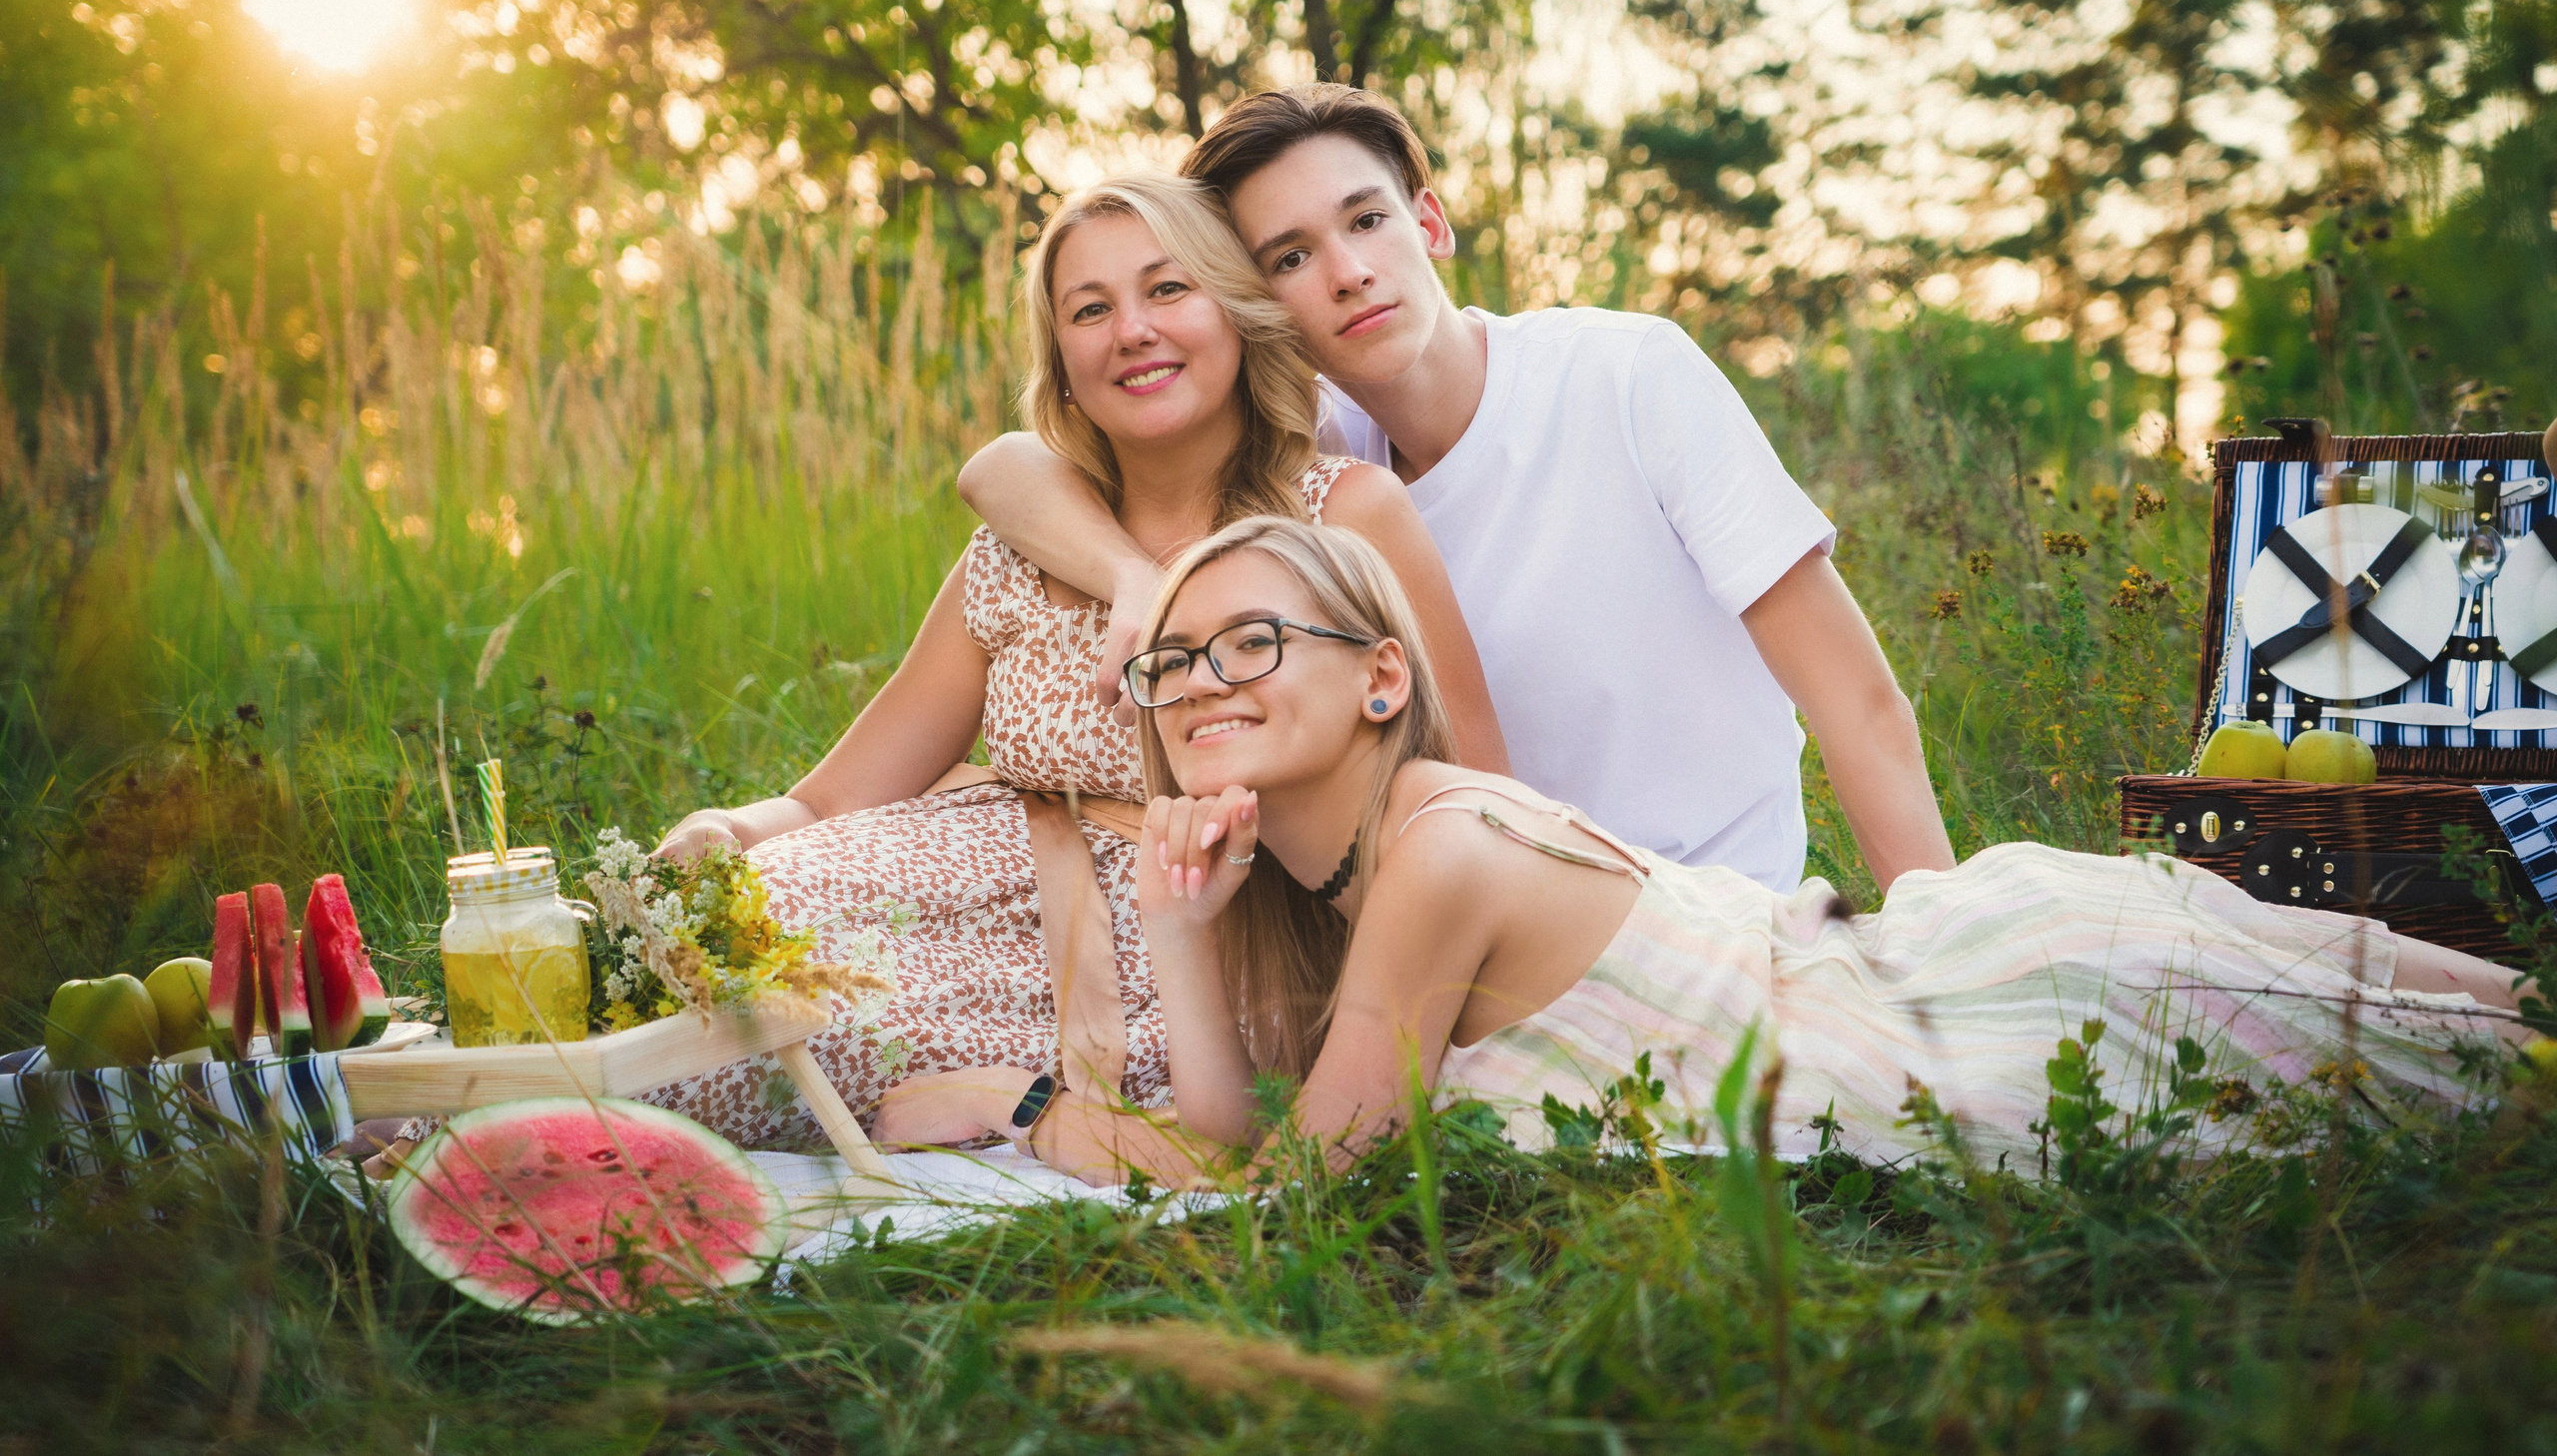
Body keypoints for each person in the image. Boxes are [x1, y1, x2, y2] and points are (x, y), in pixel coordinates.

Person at [877, 517, 2522, 1180]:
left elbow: (1299, 1193)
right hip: (1919, 986)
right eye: (1170, 664)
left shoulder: (1439, 848)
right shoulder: (1333, 877)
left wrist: (1021, 1108)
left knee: (2491, 1082)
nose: (1201, 682)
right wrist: (1184, 918)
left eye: (1252, 640)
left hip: (1984, 1024)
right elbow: (1262, 1135)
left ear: (1385, 675)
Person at [636, 175, 1505, 1147]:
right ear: (1063, 362)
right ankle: (469, 1123)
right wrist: (726, 826)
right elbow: (834, 798)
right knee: (637, 966)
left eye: (1167, 289)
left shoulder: (1337, 513)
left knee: (696, 1058)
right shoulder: (1019, 548)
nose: (1130, 329)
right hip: (926, 897)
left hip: (1172, 956)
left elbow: (1472, 794)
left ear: (1234, 308)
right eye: (1090, 310)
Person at [958, 85, 1949, 895]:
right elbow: (1006, 467)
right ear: (1252, 299)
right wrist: (1133, 577)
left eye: (1366, 220)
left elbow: (1856, 704)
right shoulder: (1316, 469)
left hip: (1704, 913)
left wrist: (1933, 971)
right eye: (1289, 257)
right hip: (1479, 928)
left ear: (1427, 222)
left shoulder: (1626, 376)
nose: (1346, 273)